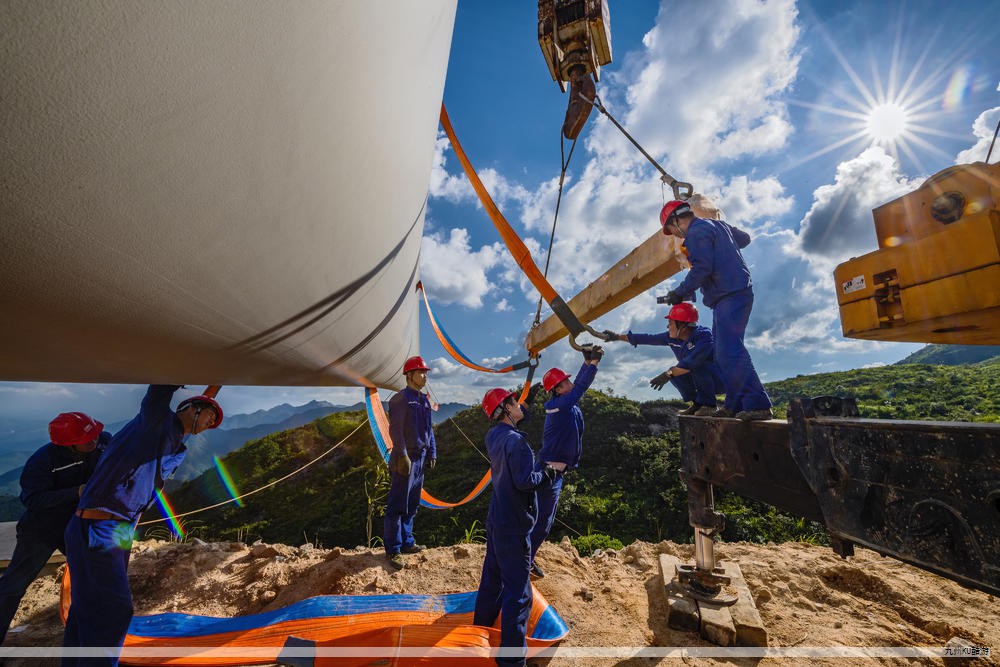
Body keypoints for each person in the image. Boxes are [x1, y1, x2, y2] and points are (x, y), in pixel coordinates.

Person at [62, 386, 222, 667]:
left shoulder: (177, 445)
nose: (212, 423)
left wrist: (214, 388)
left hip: (117, 527)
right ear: (191, 409)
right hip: (100, 526)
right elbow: (159, 390)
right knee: (114, 609)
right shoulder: (156, 423)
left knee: (87, 607)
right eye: (211, 415)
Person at [659, 199, 773, 421]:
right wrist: (722, 247)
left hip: (729, 295)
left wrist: (679, 293)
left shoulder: (695, 234)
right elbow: (745, 239)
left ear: (676, 220)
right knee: (723, 353)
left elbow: (702, 269)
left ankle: (758, 404)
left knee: (730, 350)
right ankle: (734, 404)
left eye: (672, 229)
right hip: (733, 293)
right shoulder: (717, 225)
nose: (676, 235)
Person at [0, 413, 109, 645]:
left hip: (79, 524)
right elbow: (32, 500)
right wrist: (75, 492)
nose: (94, 440)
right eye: (86, 437)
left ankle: (90, 634)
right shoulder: (43, 461)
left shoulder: (102, 442)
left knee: (93, 577)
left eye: (94, 433)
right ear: (68, 444)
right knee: (13, 586)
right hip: (41, 530)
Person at [474, 388, 556, 667]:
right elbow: (526, 481)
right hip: (514, 524)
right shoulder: (517, 443)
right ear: (506, 409)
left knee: (491, 582)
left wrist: (527, 400)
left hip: (497, 518)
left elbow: (515, 426)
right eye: (514, 402)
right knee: (518, 596)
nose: (519, 404)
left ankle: (477, 636)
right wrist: (550, 472)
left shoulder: (493, 435)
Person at [529, 345, 602, 579]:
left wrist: (587, 362)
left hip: (555, 473)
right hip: (548, 473)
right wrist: (594, 364)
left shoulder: (565, 404)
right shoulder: (559, 407)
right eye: (564, 382)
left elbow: (577, 387)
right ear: (557, 390)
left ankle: (524, 558)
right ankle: (523, 562)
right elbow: (579, 388)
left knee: (543, 521)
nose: (569, 383)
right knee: (541, 522)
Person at [605, 302, 725, 416]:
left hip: (718, 379)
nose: (668, 326)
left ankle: (710, 405)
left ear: (682, 326)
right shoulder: (671, 338)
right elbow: (647, 338)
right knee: (676, 373)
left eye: (671, 323)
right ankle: (697, 404)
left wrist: (668, 374)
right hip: (697, 375)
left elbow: (693, 361)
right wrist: (616, 337)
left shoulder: (704, 336)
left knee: (691, 368)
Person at [383, 356, 437, 570]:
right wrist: (402, 454)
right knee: (398, 503)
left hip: (421, 458)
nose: (424, 376)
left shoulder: (424, 400)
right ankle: (393, 549)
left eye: (425, 372)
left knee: (412, 502)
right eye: (421, 372)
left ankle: (407, 542)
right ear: (409, 375)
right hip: (404, 458)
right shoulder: (400, 399)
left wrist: (432, 452)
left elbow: (429, 429)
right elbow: (395, 430)